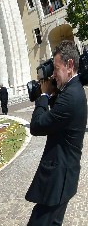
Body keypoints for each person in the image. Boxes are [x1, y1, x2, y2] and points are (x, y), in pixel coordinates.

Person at [26, 40, 87, 225]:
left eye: (56, 68)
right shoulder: (73, 90)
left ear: (69, 66)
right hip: (64, 177)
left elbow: (37, 126)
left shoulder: (70, 96)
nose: (53, 75)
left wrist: (44, 95)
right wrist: (52, 94)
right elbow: (58, 117)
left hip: (58, 179)